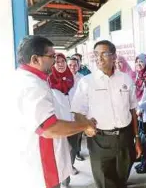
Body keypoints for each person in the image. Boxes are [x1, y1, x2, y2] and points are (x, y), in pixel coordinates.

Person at [11, 35, 96, 188]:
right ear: (35, 59)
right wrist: (85, 125)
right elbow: (49, 128)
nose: (55, 61)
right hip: (40, 167)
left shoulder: (28, 78)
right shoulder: (32, 85)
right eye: (51, 56)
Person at [71, 40, 143, 188]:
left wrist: (136, 138)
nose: (99, 58)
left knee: (121, 179)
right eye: (96, 54)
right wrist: (85, 127)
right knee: (105, 182)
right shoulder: (87, 82)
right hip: (99, 140)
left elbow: (132, 110)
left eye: (104, 54)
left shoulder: (126, 79)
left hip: (125, 138)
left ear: (114, 56)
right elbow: (77, 112)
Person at [48, 53, 79, 186]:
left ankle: (67, 173)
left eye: (62, 61)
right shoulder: (48, 82)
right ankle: (62, 179)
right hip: (59, 124)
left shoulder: (73, 79)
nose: (60, 64)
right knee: (60, 153)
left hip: (74, 122)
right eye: (57, 62)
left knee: (73, 149)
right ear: (53, 64)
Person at [68, 57, 86, 161]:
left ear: (79, 66)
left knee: (79, 134)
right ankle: (71, 159)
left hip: (79, 111)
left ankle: (78, 152)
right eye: (70, 65)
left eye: (75, 65)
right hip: (67, 111)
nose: (72, 67)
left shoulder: (82, 78)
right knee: (70, 137)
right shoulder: (63, 77)